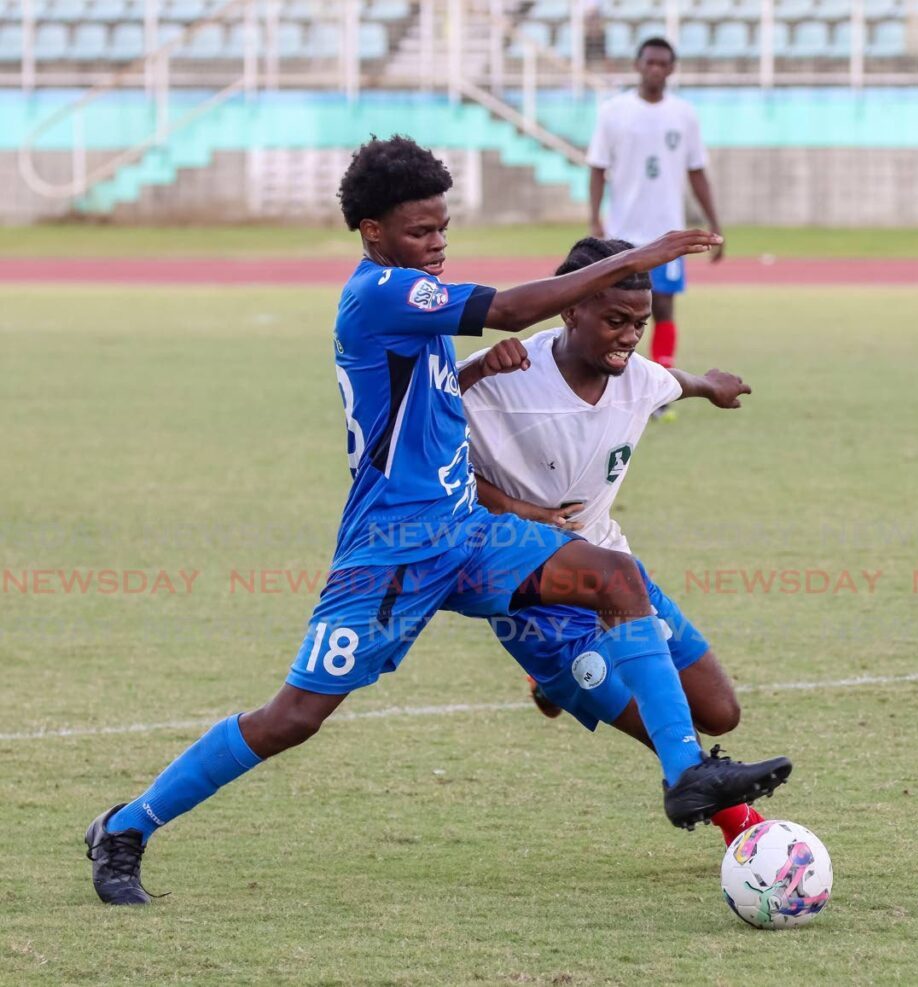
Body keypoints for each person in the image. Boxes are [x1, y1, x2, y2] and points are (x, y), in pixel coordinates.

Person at [84, 137, 790, 906]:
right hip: (391, 548)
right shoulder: (380, 292)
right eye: (421, 232)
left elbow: (415, 389)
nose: (438, 245)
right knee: (293, 716)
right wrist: (641, 253)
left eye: (443, 229)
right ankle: (126, 826)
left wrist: (472, 372)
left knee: (615, 575)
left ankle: (685, 771)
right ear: (373, 232)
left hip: (467, 534)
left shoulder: (405, 302)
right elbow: (515, 308)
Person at [459, 237, 765, 844]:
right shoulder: (506, 375)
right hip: (535, 592)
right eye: (616, 321)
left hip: (616, 573)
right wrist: (523, 507)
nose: (630, 336)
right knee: (664, 726)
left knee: (721, 713)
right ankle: (749, 836)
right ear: (571, 309)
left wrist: (712, 384)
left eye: (640, 323)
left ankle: (551, 687)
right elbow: (431, 466)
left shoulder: (640, 378)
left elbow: (674, 380)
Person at [587, 37, 723, 400]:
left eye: (663, 64)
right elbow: (598, 167)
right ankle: (613, 380)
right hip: (622, 232)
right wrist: (594, 218)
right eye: (650, 62)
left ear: (672, 69)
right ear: (638, 65)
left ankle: (661, 387)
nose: (656, 70)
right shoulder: (614, 111)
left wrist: (714, 221)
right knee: (614, 308)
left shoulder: (683, 114)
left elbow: (697, 171)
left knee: (662, 305)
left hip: (668, 233)